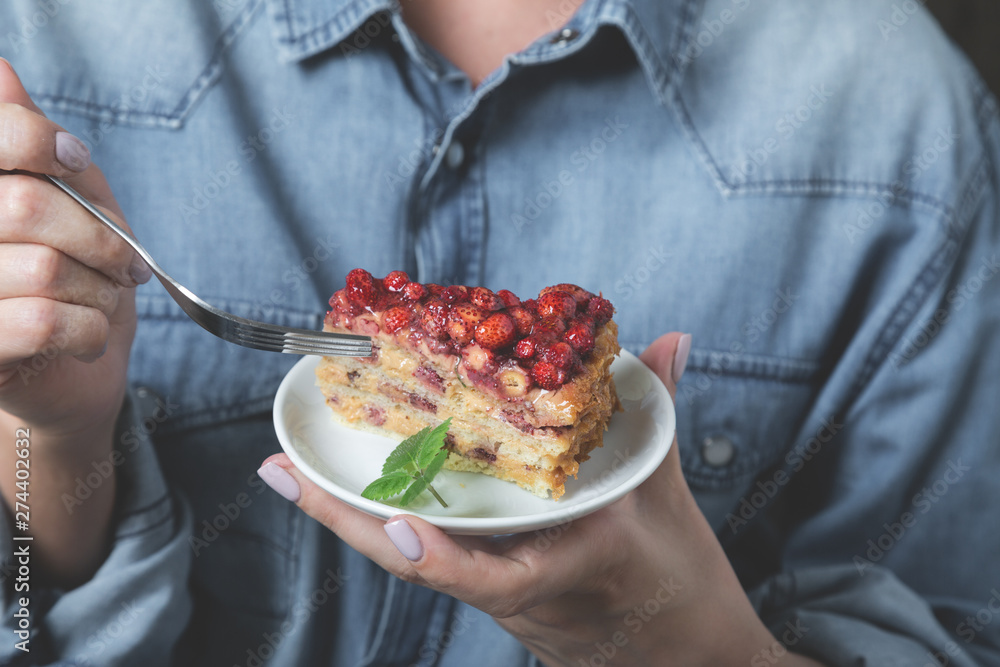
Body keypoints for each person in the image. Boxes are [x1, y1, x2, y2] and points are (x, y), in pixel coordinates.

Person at [1, 0, 998, 664]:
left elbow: (962, 624)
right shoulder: (42, 36)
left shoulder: (893, 119)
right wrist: (50, 440)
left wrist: (691, 645)